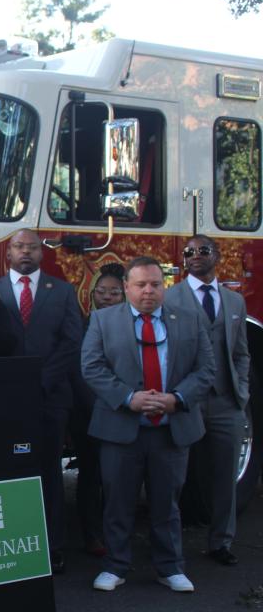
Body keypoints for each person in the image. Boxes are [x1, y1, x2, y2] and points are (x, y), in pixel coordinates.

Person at [82, 256, 214, 593]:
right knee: (117, 501)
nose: (148, 291)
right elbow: (92, 367)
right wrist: (128, 398)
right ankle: (115, 566)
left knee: (167, 501)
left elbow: (206, 370)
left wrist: (177, 399)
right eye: (140, 284)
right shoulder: (102, 320)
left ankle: (170, 567)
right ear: (127, 287)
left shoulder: (189, 320)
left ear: (164, 286)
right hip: (120, 427)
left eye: (155, 284)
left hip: (171, 428)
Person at [0, 228, 82, 573]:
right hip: (4, 401)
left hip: (51, 398)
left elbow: (72, 343)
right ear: (8, 253)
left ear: (42, 254)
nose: (26, 253)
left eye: (33, 248)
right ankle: (12, 544)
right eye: (19, 247)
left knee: (49, 472)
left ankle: (53, 547)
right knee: (7, 472)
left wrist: (41, 382)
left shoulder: (64, 292)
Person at [165, 235, 250, 566]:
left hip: (227, 402)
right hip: (186, 401)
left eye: (203, 251)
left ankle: (221, 542)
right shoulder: (169, 299)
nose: (195, 256)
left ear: (217, 255)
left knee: (225, 476)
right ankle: (170, 548)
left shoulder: (235, 302)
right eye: (189, 252)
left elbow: (241, 352)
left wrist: (241, 391)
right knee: (174, 477)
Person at [71, 262, 125, 557]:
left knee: (118, 479)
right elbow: (80, 370)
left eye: (114, 292)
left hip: (124, 411)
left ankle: (117, 533)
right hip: (89, 412)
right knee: (91, 474)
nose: (106, 297)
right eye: (101, 291)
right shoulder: (82, 324)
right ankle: (92, 535)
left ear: (124, 295)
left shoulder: (133, 327)